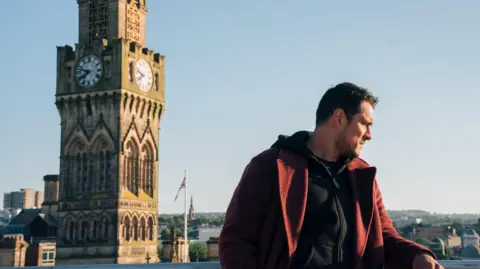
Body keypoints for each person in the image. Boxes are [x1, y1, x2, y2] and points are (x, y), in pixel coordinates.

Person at [219, 82, 443, 269]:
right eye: (364, 124)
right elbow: (236, 240)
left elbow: (383, 237)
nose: (370, 135)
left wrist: (417, 256)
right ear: (339, 118)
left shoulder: (362, 175)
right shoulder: (271, 166)